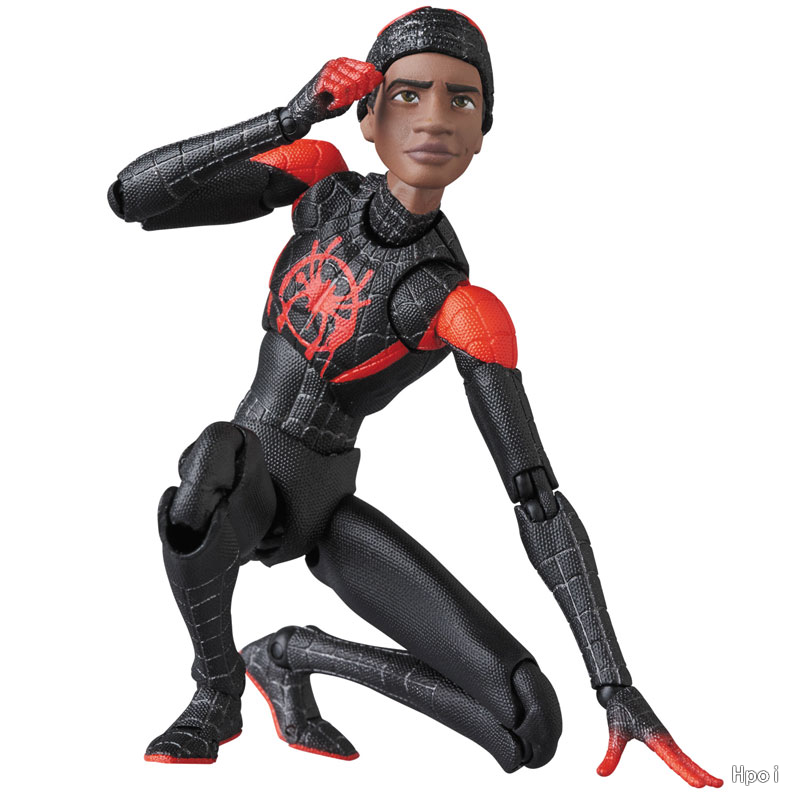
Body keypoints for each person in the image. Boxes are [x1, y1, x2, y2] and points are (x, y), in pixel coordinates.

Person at [108, 6, 721, 786]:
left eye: (461, 100)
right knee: (212, 456)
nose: (433, 119)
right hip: (242, 479)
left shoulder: (459, 308)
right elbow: (134, 196)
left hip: (325, 505)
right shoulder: (320, 185)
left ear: (483, 131)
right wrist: (286, 119)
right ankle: (216, 689)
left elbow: (538, 502)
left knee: (529, 725)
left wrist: (614, 683)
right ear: (367, 116)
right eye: (407, 94)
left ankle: (292, 655)